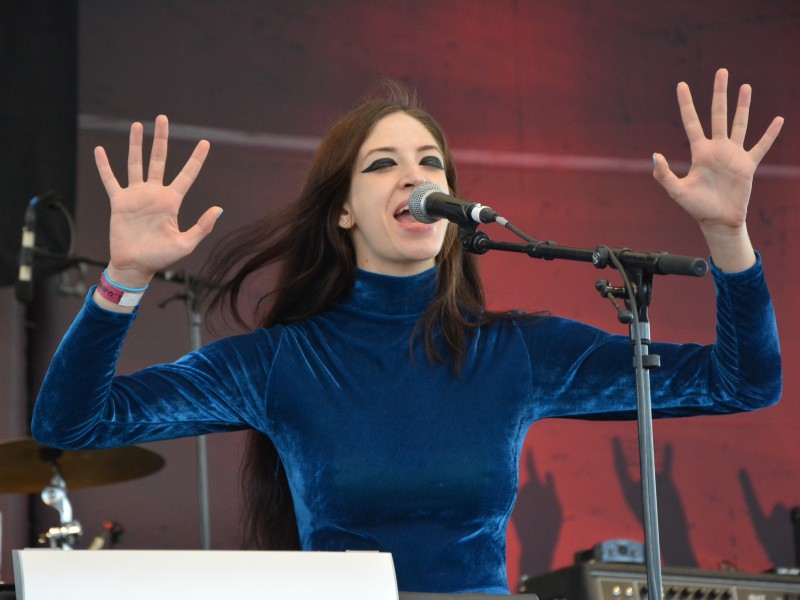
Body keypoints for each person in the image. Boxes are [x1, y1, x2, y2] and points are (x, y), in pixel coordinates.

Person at [32, 69, 783, 594]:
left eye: (430, 162)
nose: (415, 178)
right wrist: (123, 277)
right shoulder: (282, 362)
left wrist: (728, 235)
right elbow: (72, 420)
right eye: (383, 163)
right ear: (344, 211)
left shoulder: (516, 352)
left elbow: (743, 379)